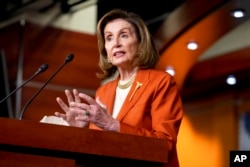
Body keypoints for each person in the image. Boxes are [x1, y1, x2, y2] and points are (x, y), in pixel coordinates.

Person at [54, 9, 183, 167]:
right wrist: (79, 132)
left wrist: (114, 125)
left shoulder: (160, 82)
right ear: (106, 51)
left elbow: (165, 145)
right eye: (109, 38)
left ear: (140, 44)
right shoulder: (103, 91)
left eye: (124, 35)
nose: (115, 43)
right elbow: (100, 149)